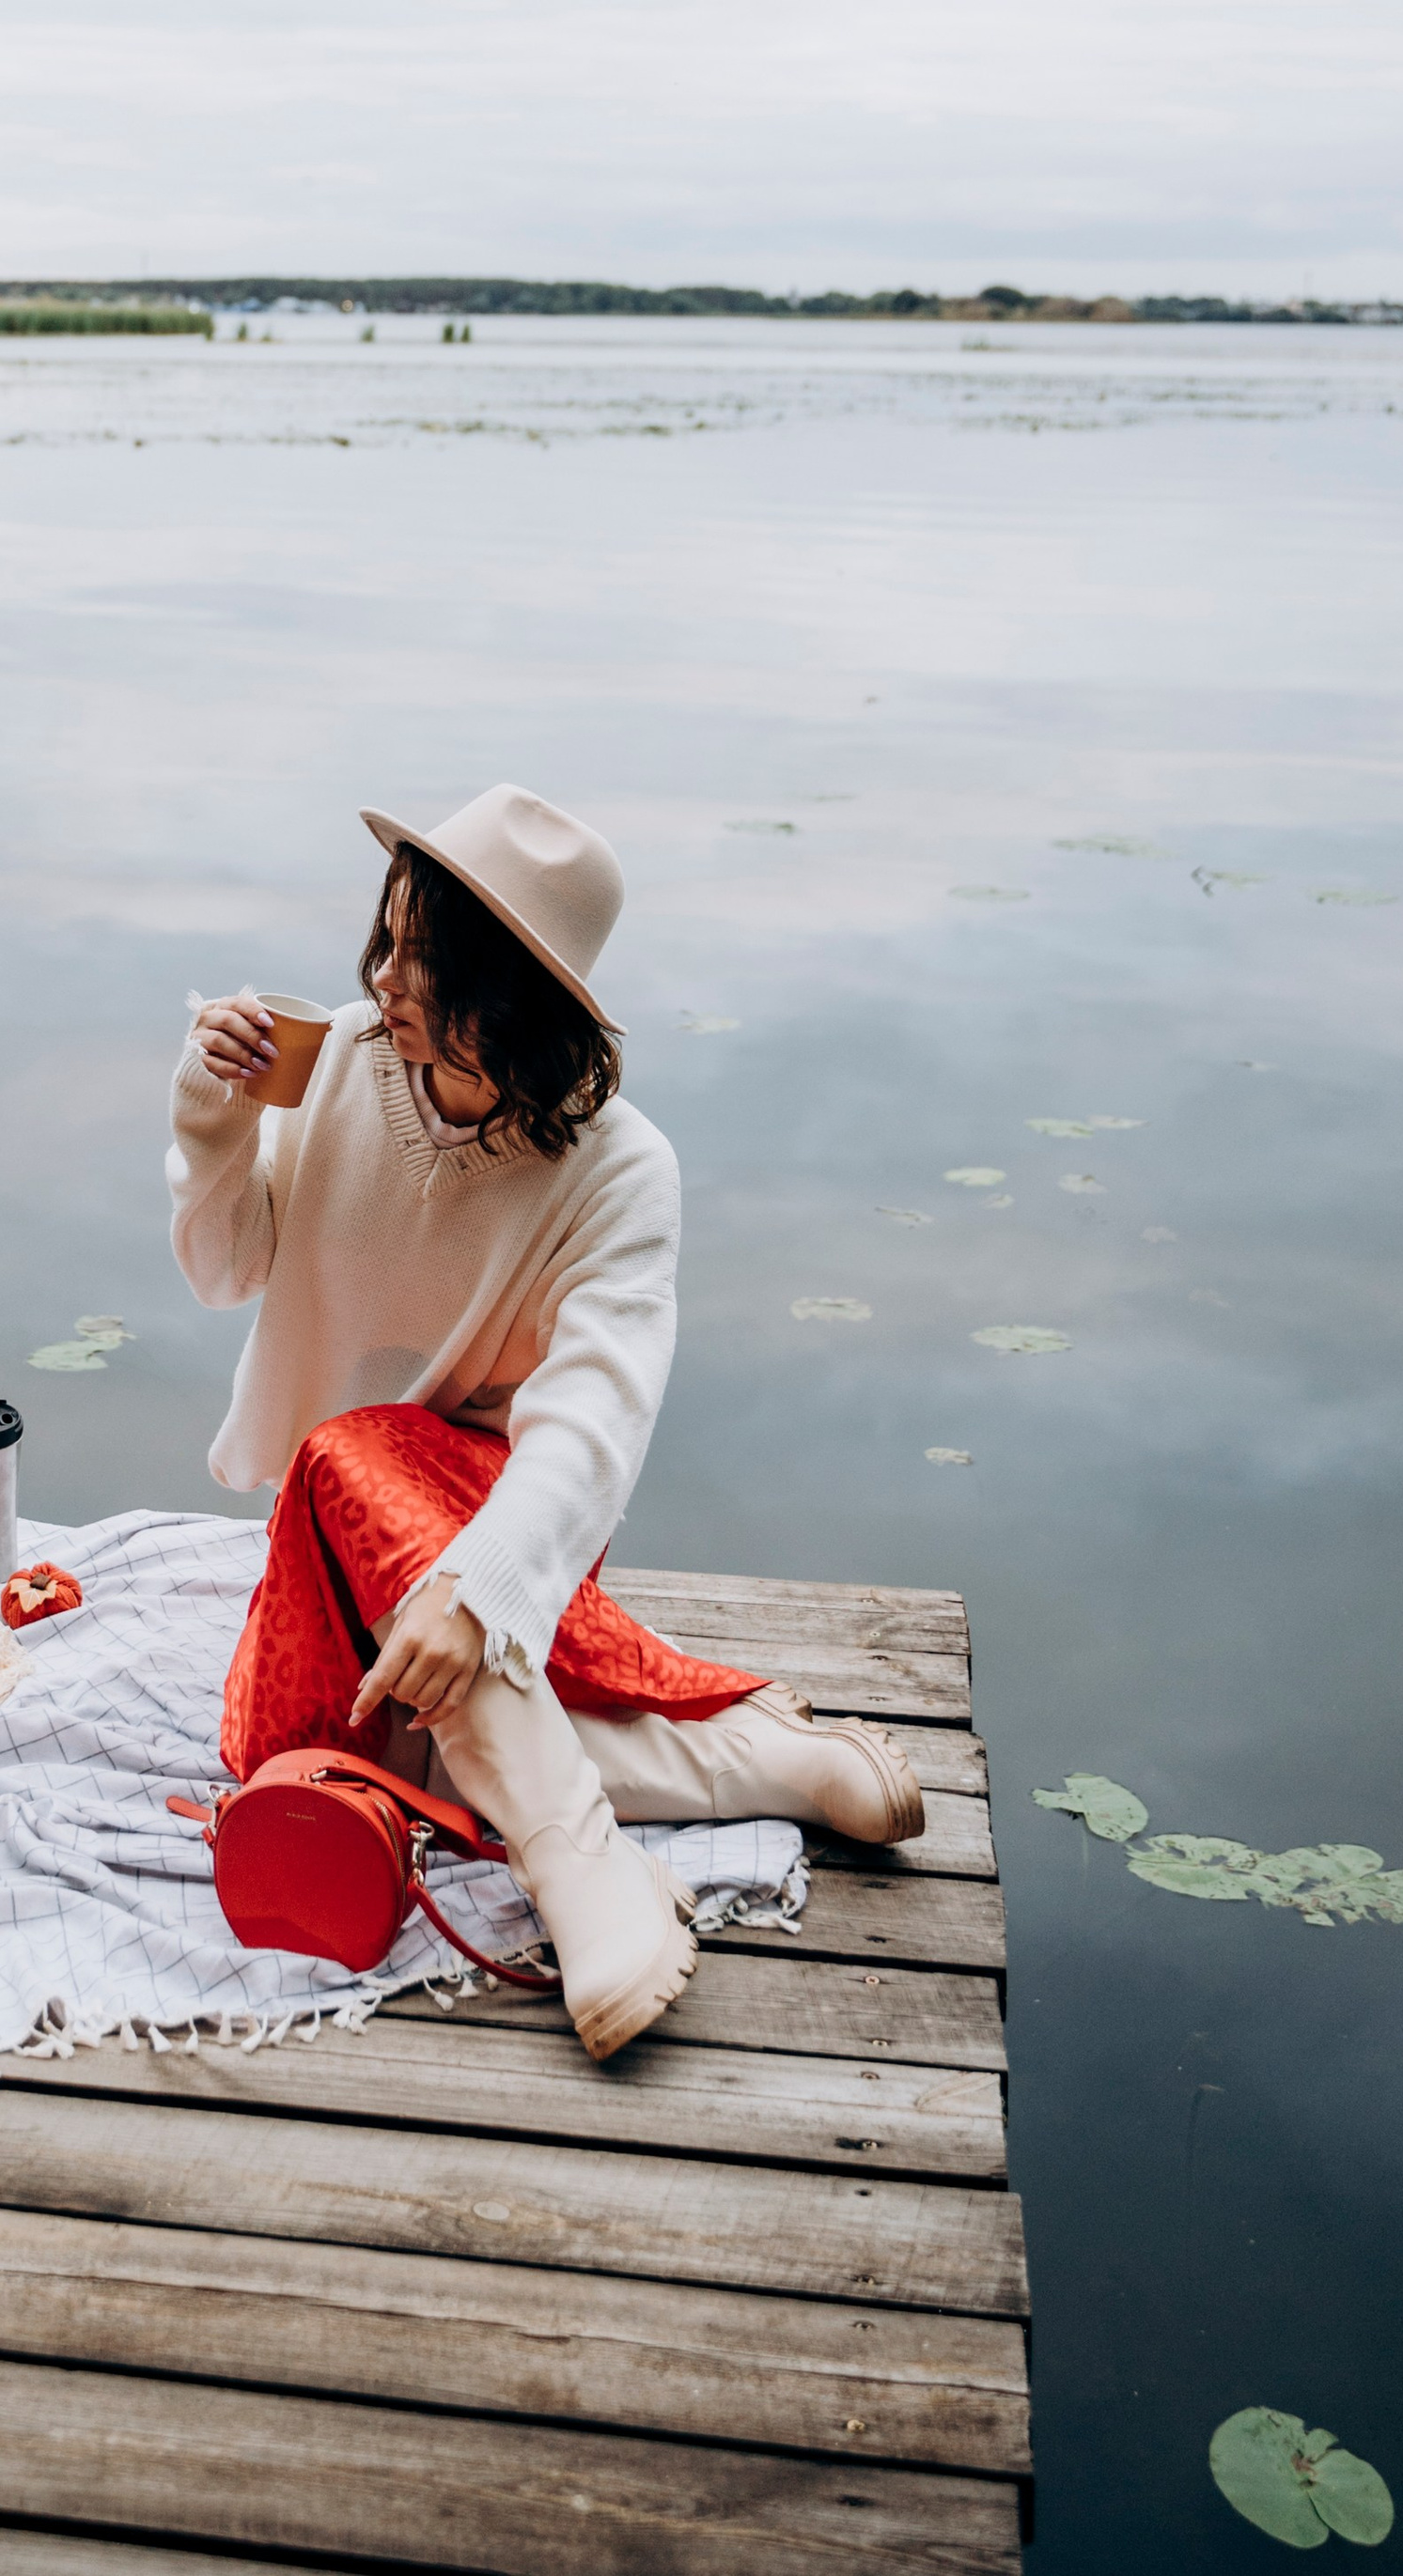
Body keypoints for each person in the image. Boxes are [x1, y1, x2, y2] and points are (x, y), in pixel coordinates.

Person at [168, 782, 923, 2061]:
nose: (385, 976)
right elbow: (224, 1267)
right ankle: (776, 1766)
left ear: (506, 991)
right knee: (312, 1762)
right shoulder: (343, 1065)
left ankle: (589, 1877)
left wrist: (480, 1584)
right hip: (334, 1557)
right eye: (389, 937)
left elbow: (591, 1426)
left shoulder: (623, 1175)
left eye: (423, 956)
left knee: (355, 1457)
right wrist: (214, 1121)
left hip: (509, 1555)